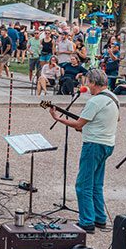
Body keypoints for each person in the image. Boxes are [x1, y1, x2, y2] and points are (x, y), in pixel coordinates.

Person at [48, 69, 118, 232]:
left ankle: (87, 221)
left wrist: (57, 118)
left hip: (94, 145)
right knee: (96, 183)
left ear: (93, 83)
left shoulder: (94, 102)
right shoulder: (113, 97)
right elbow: (113, 119)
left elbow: (79, 124)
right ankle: (100, 218)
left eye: (87, 82)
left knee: (83, 184)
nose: (86, 84)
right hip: (108, 144)